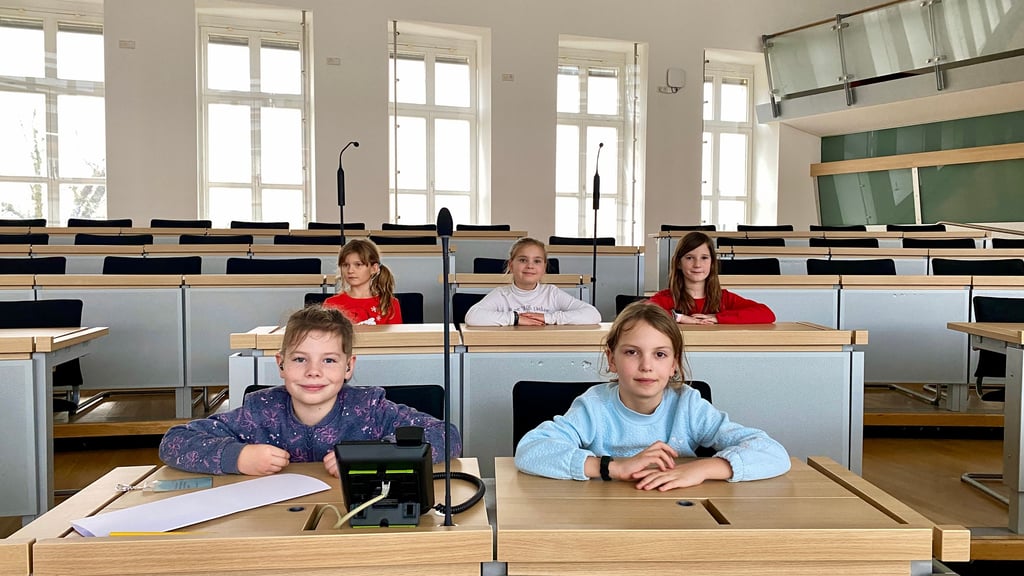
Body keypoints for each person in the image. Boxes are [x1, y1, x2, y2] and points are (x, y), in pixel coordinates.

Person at [515, 301, 790, 489]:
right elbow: (529, 451)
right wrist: (613, 467)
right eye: (631, 352)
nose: (646, 365)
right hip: (606, 522)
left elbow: (774, 454)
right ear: (611, 359)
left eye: (659, 354)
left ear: (674, 364)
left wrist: (702, 469)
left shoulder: (689, 406)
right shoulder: (594, 407)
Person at [159, 305, 459, 476]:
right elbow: (174, 442)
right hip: (277, 533)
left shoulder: (370, 409)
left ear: (348, 366)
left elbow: (448, 436)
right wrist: (238, 457)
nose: (313, 371)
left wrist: (374, 456)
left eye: (329, 360)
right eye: (300, 359)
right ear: (281, 364)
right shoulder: (260, 411)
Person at [465, 237, 601, 326]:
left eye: (537, 261)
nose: (530, 266)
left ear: (544, 267)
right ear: (511, 265)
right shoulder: (501, 294)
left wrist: (548, 318)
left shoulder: (551, 293)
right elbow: (472, 317)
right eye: (523, 260)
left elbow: (593, 315)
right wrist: (515, 319)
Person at [650, 231, 775, 324]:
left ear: (712, 263)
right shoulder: (667, 297)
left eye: (704, 258)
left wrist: (717, 318)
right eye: (689, 258)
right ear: (678, 263)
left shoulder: (724, 298)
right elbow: (643, 313)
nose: (697, 264)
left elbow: (766, 313)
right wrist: (679, 317)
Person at [323, 238, 402, 325]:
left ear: (374, 268)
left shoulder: (390, 304)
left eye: (358, 265)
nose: (350, 270)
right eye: (345, 265)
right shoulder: (331, 303)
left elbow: (395, 337)